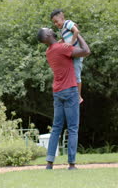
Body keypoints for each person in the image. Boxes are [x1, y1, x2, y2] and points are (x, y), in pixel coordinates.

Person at [36, 27, 91, 170]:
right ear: (48, 34)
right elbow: (86, 51)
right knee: (73, 128)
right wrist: (77, 34)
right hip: (70, 91)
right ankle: (71, 164)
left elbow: (57, 45)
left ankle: (49, 163)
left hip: (58, 92)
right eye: (47, 29)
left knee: (56, 128)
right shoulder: (61, 48)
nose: (50, 28)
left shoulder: (49, 51)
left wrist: (64, 40)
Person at [50, 9, 85, 103]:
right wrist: (59, 43)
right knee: (72, 74)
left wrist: (72, 42)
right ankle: (75, 94)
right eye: (54, 23)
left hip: (77, 52)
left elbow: (76, 31)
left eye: (57, 21)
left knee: (77, 75)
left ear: (62, 18)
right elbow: (64, 39)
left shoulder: (67, 23)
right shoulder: (61, 29)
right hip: (71, 53)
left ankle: (79, 96)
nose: (56, 24)